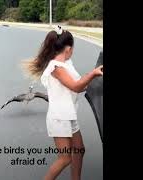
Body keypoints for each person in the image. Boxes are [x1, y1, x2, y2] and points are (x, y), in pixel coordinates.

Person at [22, 25, 103, 180]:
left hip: (68, 115)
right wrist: (92, 74)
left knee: (79, 149)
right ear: (67, 49)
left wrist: (94, 77)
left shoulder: (67, 63)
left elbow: (79, 84)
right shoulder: (56, 68)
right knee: (65, 158)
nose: (72, 51)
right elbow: (76, 86)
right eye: (72, 49)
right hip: (59, 117)